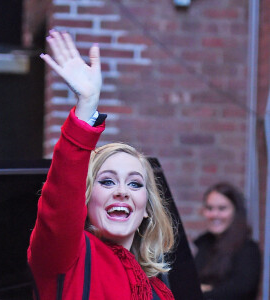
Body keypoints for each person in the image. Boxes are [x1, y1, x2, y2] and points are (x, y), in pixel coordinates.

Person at [27, 29, 175, 300]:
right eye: (107, 181)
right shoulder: (68, 258)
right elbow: (61, 200)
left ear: (146, 209)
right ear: (83, 199)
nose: (122, 191)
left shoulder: (160, 292)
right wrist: (86, 107)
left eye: (135, 183)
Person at [194, 182, 261, 300]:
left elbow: (240, 290)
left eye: (222, 208)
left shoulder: (248, 249)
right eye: (210, 208)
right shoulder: (203, 245)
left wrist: (202, 292)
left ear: (235, 212)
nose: (215, 214)